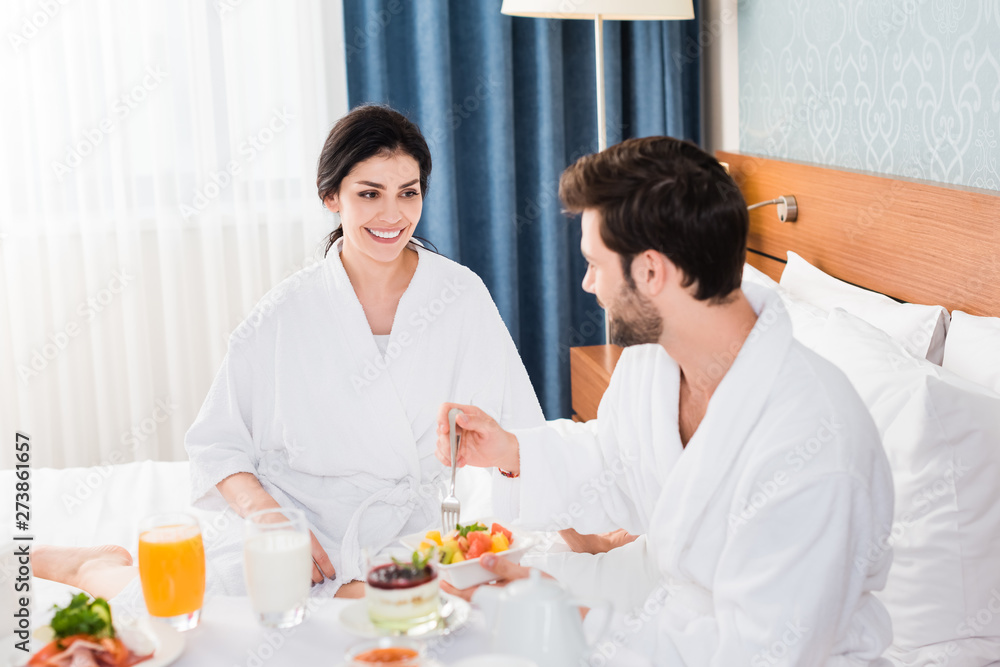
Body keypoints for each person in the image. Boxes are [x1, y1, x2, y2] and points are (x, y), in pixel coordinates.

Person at [33, 105, 546, 602]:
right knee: (191, 611)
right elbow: (216, 446)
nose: (393, 214)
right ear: (331, 197)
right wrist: (270, 518)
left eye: (408, 193)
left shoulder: (459, 295)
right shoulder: (286, 312)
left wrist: (582, 533)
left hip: (414, 536)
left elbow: (523, 434)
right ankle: (89, 564)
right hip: (302, 524)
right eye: (369, 193)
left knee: (449, 613)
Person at [435, 137, 895, 665]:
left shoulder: (814, 444)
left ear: (651, 272)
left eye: (594, 264)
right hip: (663, 626)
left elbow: (757, 654)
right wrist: (509, 450)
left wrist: (565, 620)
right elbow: (615, 463)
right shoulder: (655, 360)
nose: (587, 284)